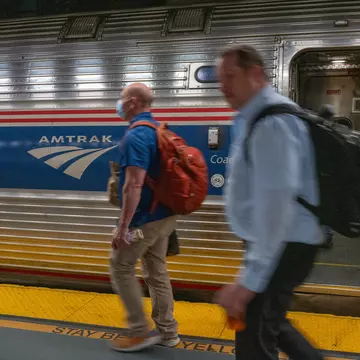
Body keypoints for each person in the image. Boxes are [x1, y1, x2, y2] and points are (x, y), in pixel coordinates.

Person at [214, 45, 324, 360]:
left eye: (230, 77)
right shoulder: (256, 118)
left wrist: (249, 281)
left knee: (254, 343)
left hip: (283, 243)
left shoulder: (272, 122)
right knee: (273, 325)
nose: (224, 87)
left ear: (256, 73)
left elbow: (276, 205)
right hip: (278, 243)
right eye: (221, 80)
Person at [109, 83, 179, 352]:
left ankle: (139, 331)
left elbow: (133, 185)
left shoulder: (136, 135)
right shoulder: (159, 130)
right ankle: (167, 332)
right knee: (156, 270)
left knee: (120, 265)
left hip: (145, 220)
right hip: (165, 217)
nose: (119, 103)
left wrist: (123, 227)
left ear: (133, 102)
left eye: (122, 98)